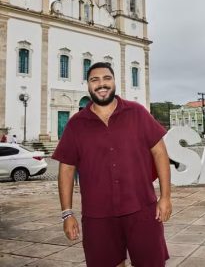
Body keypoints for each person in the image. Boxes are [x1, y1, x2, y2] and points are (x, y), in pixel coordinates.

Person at [52, 62, 172, 267]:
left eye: (106, 78)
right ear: (88, 85)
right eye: (94, 80)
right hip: (98, 216)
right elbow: (66, 169)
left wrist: (166, 197)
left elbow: (160, 153)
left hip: (142, 209)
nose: (101, 84)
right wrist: (67, 213)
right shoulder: (76, 124)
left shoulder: (137, 113)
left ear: (114, 81)